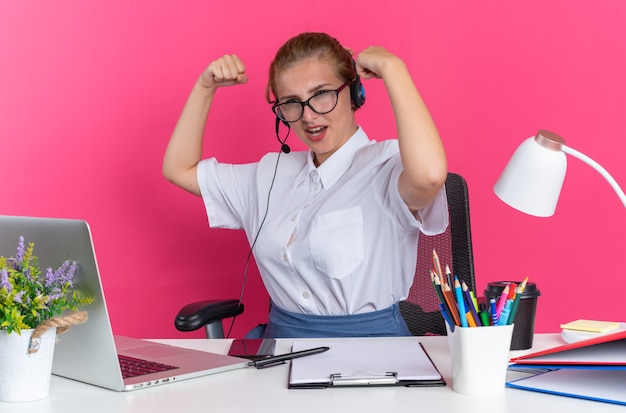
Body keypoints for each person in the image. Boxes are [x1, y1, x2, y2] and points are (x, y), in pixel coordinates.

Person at [162, 32, 449, 338]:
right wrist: (205, 88)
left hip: (372, 361)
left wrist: (394, 69)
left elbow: (430, 175)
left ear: (354, 94)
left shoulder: (387, 166)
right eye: (291, 102)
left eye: (322, 93)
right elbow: (178, 169)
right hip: (281, 356)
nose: (308, 115)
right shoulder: (269, 175)